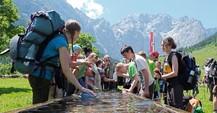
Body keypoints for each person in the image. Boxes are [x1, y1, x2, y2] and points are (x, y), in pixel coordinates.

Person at [28, 19, 95, 104]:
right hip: (41, 77)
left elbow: (69, 63)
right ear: (74, 32)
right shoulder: (61, 42)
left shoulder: (60, 39)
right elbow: (66, 69)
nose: (77, 38)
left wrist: (83, 62)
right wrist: (81, 88)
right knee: (39, 108)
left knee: (42, 106)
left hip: (39, 75)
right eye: (78, 35)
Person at [161, 37, 183, 109]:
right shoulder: (166, 57)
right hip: (169, 85)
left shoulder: (173, 56)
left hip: (176, 85)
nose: (162, 47)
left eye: (163, 45)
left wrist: (162, 77)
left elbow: (175, 72)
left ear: (169, 45)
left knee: (176, 107)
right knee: (170, 105)